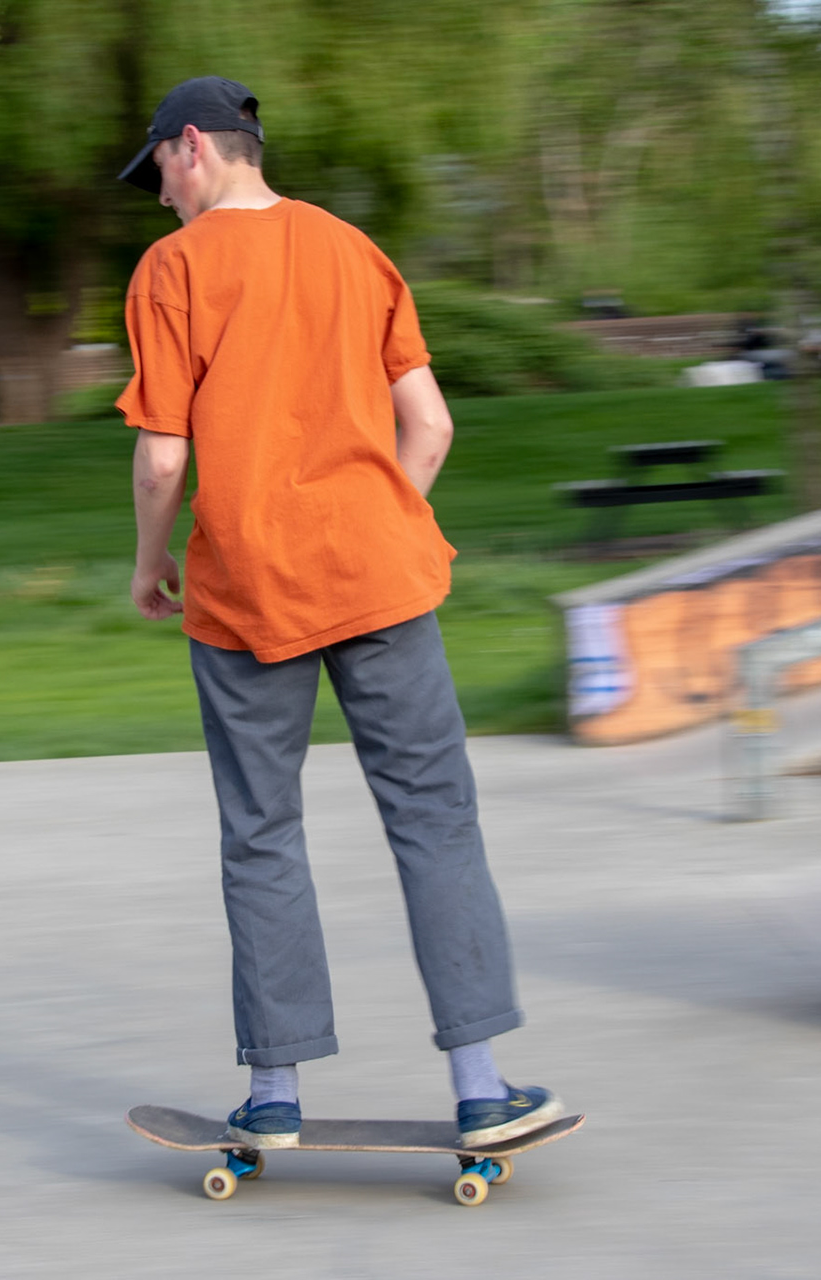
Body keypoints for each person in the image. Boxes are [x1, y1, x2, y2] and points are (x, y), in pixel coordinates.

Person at [115, 78, 566, 1149]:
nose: (160, 198)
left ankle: (274, 1095)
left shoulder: (173, 269)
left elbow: (165, 456)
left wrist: (148, 560)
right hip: (380, 578)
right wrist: (376, 521)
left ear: (193, 146)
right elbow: (432, 426)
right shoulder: (354, 250)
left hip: (246, 592)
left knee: (261, 831)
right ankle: (482, 1087)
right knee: (435, 817)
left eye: (159, 173)